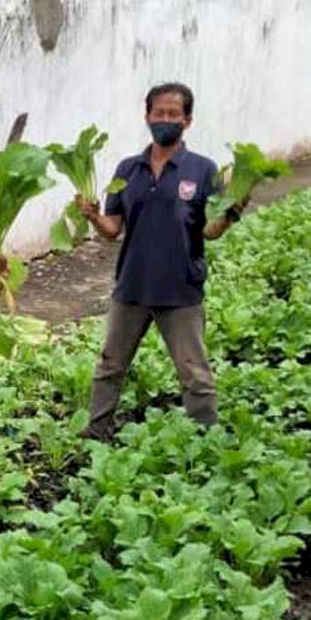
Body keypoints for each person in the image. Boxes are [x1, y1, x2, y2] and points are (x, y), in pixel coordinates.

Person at [77, 82, 246, 437]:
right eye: (159, 113)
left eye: (173, 114)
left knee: (194, 372)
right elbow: (113, 229)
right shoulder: (128, 169)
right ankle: (96, 432)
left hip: (180, 288)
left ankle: (206, 439)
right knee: (110, 366)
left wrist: (231, 213)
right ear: (147, 117)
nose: (165, 119)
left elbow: (209, 231)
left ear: (188, 120)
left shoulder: (202, 171)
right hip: (132, 286)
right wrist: (93, 216)